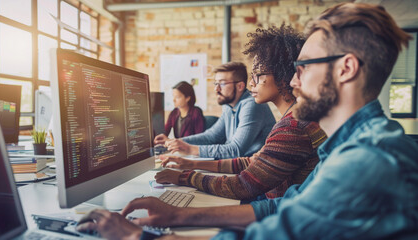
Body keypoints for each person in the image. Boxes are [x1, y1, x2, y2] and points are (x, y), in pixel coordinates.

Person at [77, 3, 418, 240]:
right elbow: (281, 206)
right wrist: (176, 215)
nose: (294, 81)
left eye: (304, 67)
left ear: (346, 68)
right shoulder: (349, 145)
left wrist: (139, 235)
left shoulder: (367, 163)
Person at [154, 25, 327, 201]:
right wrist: (190, 162)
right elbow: (250, 162)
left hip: (274, 208)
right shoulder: (292, 117)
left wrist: (185, 176)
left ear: (282, 76)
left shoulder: (291, 125)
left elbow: (244, 185)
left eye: (257, 75)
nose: (252, 83)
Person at [155, 62, 275, 159]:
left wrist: (190, 149)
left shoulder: (252, 105)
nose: (216, 89)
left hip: (249, 169)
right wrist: (176, 142)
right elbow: (211, 136)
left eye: (222, 84)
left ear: (240, 86)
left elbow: (236, 150)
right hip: (235, 165)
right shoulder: (229, 107)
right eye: (215, 83)